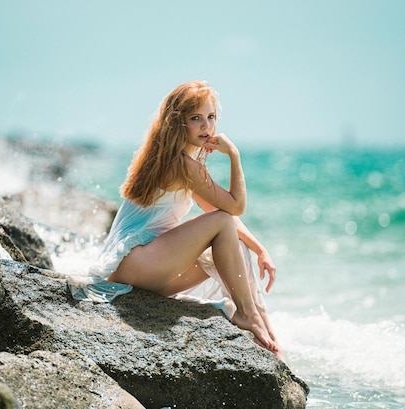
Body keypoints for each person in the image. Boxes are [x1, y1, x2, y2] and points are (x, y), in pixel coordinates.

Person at [69, 80, 282, 356]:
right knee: (223, 226)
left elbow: (222, 211)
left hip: (147, 270)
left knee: (235, 246)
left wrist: (260, 249)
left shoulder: (173, 160)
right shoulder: (181, 164)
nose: (206, 126)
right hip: (137, 262)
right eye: (196, 118)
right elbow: (235, 207)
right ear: (177, 123)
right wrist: (234, 156)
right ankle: (247, 315)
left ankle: (271, 344)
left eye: (211, 117)